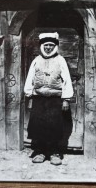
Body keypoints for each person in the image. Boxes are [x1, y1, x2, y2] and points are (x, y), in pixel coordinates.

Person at [24, 32, 73, 166]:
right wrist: (29, 94)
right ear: (42, 46)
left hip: (55, 100)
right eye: (46, 45)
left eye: (51, 45)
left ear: (55, 46)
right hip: (39, 98)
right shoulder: (36, 60)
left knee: (54, 126)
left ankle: (54, 153)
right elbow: (30, 78)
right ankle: (40, 152)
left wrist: (66, 99)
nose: (48, 48)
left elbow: (67, 80)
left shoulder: (60, 60)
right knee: (38, 126)